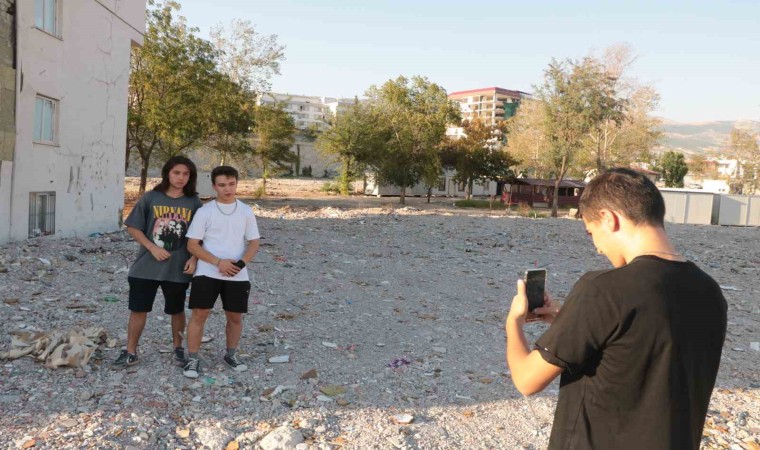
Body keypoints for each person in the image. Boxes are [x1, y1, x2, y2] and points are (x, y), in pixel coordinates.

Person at [505, 168, 727, 450]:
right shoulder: (710, 291)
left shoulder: (603, 289)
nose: (598, 248)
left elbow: (527, 380)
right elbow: (640, 344)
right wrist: (568, 320)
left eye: (591, 232)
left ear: (609, 219)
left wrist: (513, 323)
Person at [111, 156, 203, 369]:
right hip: (146, 267)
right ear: (167, 173)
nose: (181, 178)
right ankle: (130, 351)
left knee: (177, 310)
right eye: (176, 173)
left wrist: (194, 257)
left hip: (178, 268)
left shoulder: (194, 203)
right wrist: (152, 247)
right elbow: (133, 226)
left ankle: (178, 349)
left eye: (186, 174)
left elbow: (201, 235)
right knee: (138, 309)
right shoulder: (151, 197)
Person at [183, 166, 260, 378]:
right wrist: (218, 262)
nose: (228, 189)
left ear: (237, 183)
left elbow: (254, 242)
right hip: (207, 272)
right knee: (199, 315)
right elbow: (192, 244)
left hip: (237, 274)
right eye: (222, 185)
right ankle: (193, 359)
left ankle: (231, 355)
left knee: (235, 317)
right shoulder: (205, 211)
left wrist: (240, 264)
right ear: (214, 186)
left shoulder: (245, 211)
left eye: (231, 184)